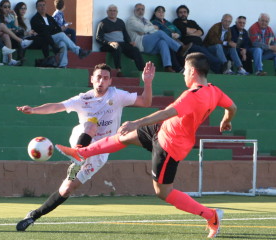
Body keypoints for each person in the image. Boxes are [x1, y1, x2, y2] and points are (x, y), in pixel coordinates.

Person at [55, 52, 237, 238]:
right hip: (162, 130)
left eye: (184, 70)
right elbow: (232, 107)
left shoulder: (192, 95)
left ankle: (211, 215)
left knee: (163, 192)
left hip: (170, 146)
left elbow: (165, 113)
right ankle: (82, 153)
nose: (183, 74)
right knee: (122, 137)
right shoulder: (214, 90)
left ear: (192, 71)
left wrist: (137, 123)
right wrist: (226, 120)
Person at [15, 61, 155, 231]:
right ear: (92, 79)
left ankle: (34, 215)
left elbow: (145, 102)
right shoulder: (83, 99)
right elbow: (57, 106)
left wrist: (147, 82)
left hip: (102, 151)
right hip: (81, 140)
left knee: (67, 189)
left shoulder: (117, 95)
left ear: (110, 81)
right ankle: (78, 155)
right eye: (98, 78)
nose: (102, 81)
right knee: (91, 124)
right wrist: (34, 110)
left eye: (105, 78)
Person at [126, 3, 192, 73]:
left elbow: (153, 31)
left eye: (142, 9)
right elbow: (144, 29)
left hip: (149, 45)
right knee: (160, 33)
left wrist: (148, 30)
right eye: (138, 9)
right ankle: (180, 49)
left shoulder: (145, 20)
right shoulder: (131, 20)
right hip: (140, 44)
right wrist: (151, 28)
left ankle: (167, 67)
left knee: (162, 42)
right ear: (134, 10)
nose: (140, 11)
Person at [31, 0, 90, 68]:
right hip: (44, 41)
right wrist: (53, 29)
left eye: (44, 5)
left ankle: (63, 65)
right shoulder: (35, 19)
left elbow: (57, 28)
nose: (42, 7)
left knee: (63, 43)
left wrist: (58, 29)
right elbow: (44, 31)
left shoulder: (49, 18)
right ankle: (78, 51)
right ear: (36, 7)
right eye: (40, 5)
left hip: (53, 40)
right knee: (61, 35)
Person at [96, 4, 145, 76]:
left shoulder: (120, 22)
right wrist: (109, 43)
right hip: (108, 44)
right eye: (111, 11)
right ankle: (118, 70)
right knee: (117, 47)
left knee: (135, 50)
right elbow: (98, 38)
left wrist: (129, 42)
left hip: (122, 43)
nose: (113, 12)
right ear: (107, 12)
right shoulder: (103, 23)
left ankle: (143, 71)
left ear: (117, 12)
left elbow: (125, 35)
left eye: (114, 11)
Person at [173, 5, 223, 74]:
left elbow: (201, 32)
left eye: (184, 12)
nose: (183, 14)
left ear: (187, 13)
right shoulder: (176, 22)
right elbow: (188, 31)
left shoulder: (192, 22)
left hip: (201, 45)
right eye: (180, 12)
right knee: (207, 57)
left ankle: (220, 71)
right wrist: (194, 31)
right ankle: (222, 65)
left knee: (216, 47)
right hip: (190, 46)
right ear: (178, 14)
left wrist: (190, 33)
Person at [150, 5, 184, 72]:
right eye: (159, 11)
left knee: (182, 49)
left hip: (174, 40)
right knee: (171, 47)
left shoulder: (169, 23)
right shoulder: (153, 22)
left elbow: (178, 31)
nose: (161, 13)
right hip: (162, 42)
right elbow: (159, 32)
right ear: (155, 13)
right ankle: (178, 68)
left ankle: (184, 67)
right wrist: (170, 34)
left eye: (163, 12)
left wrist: (178, 35)